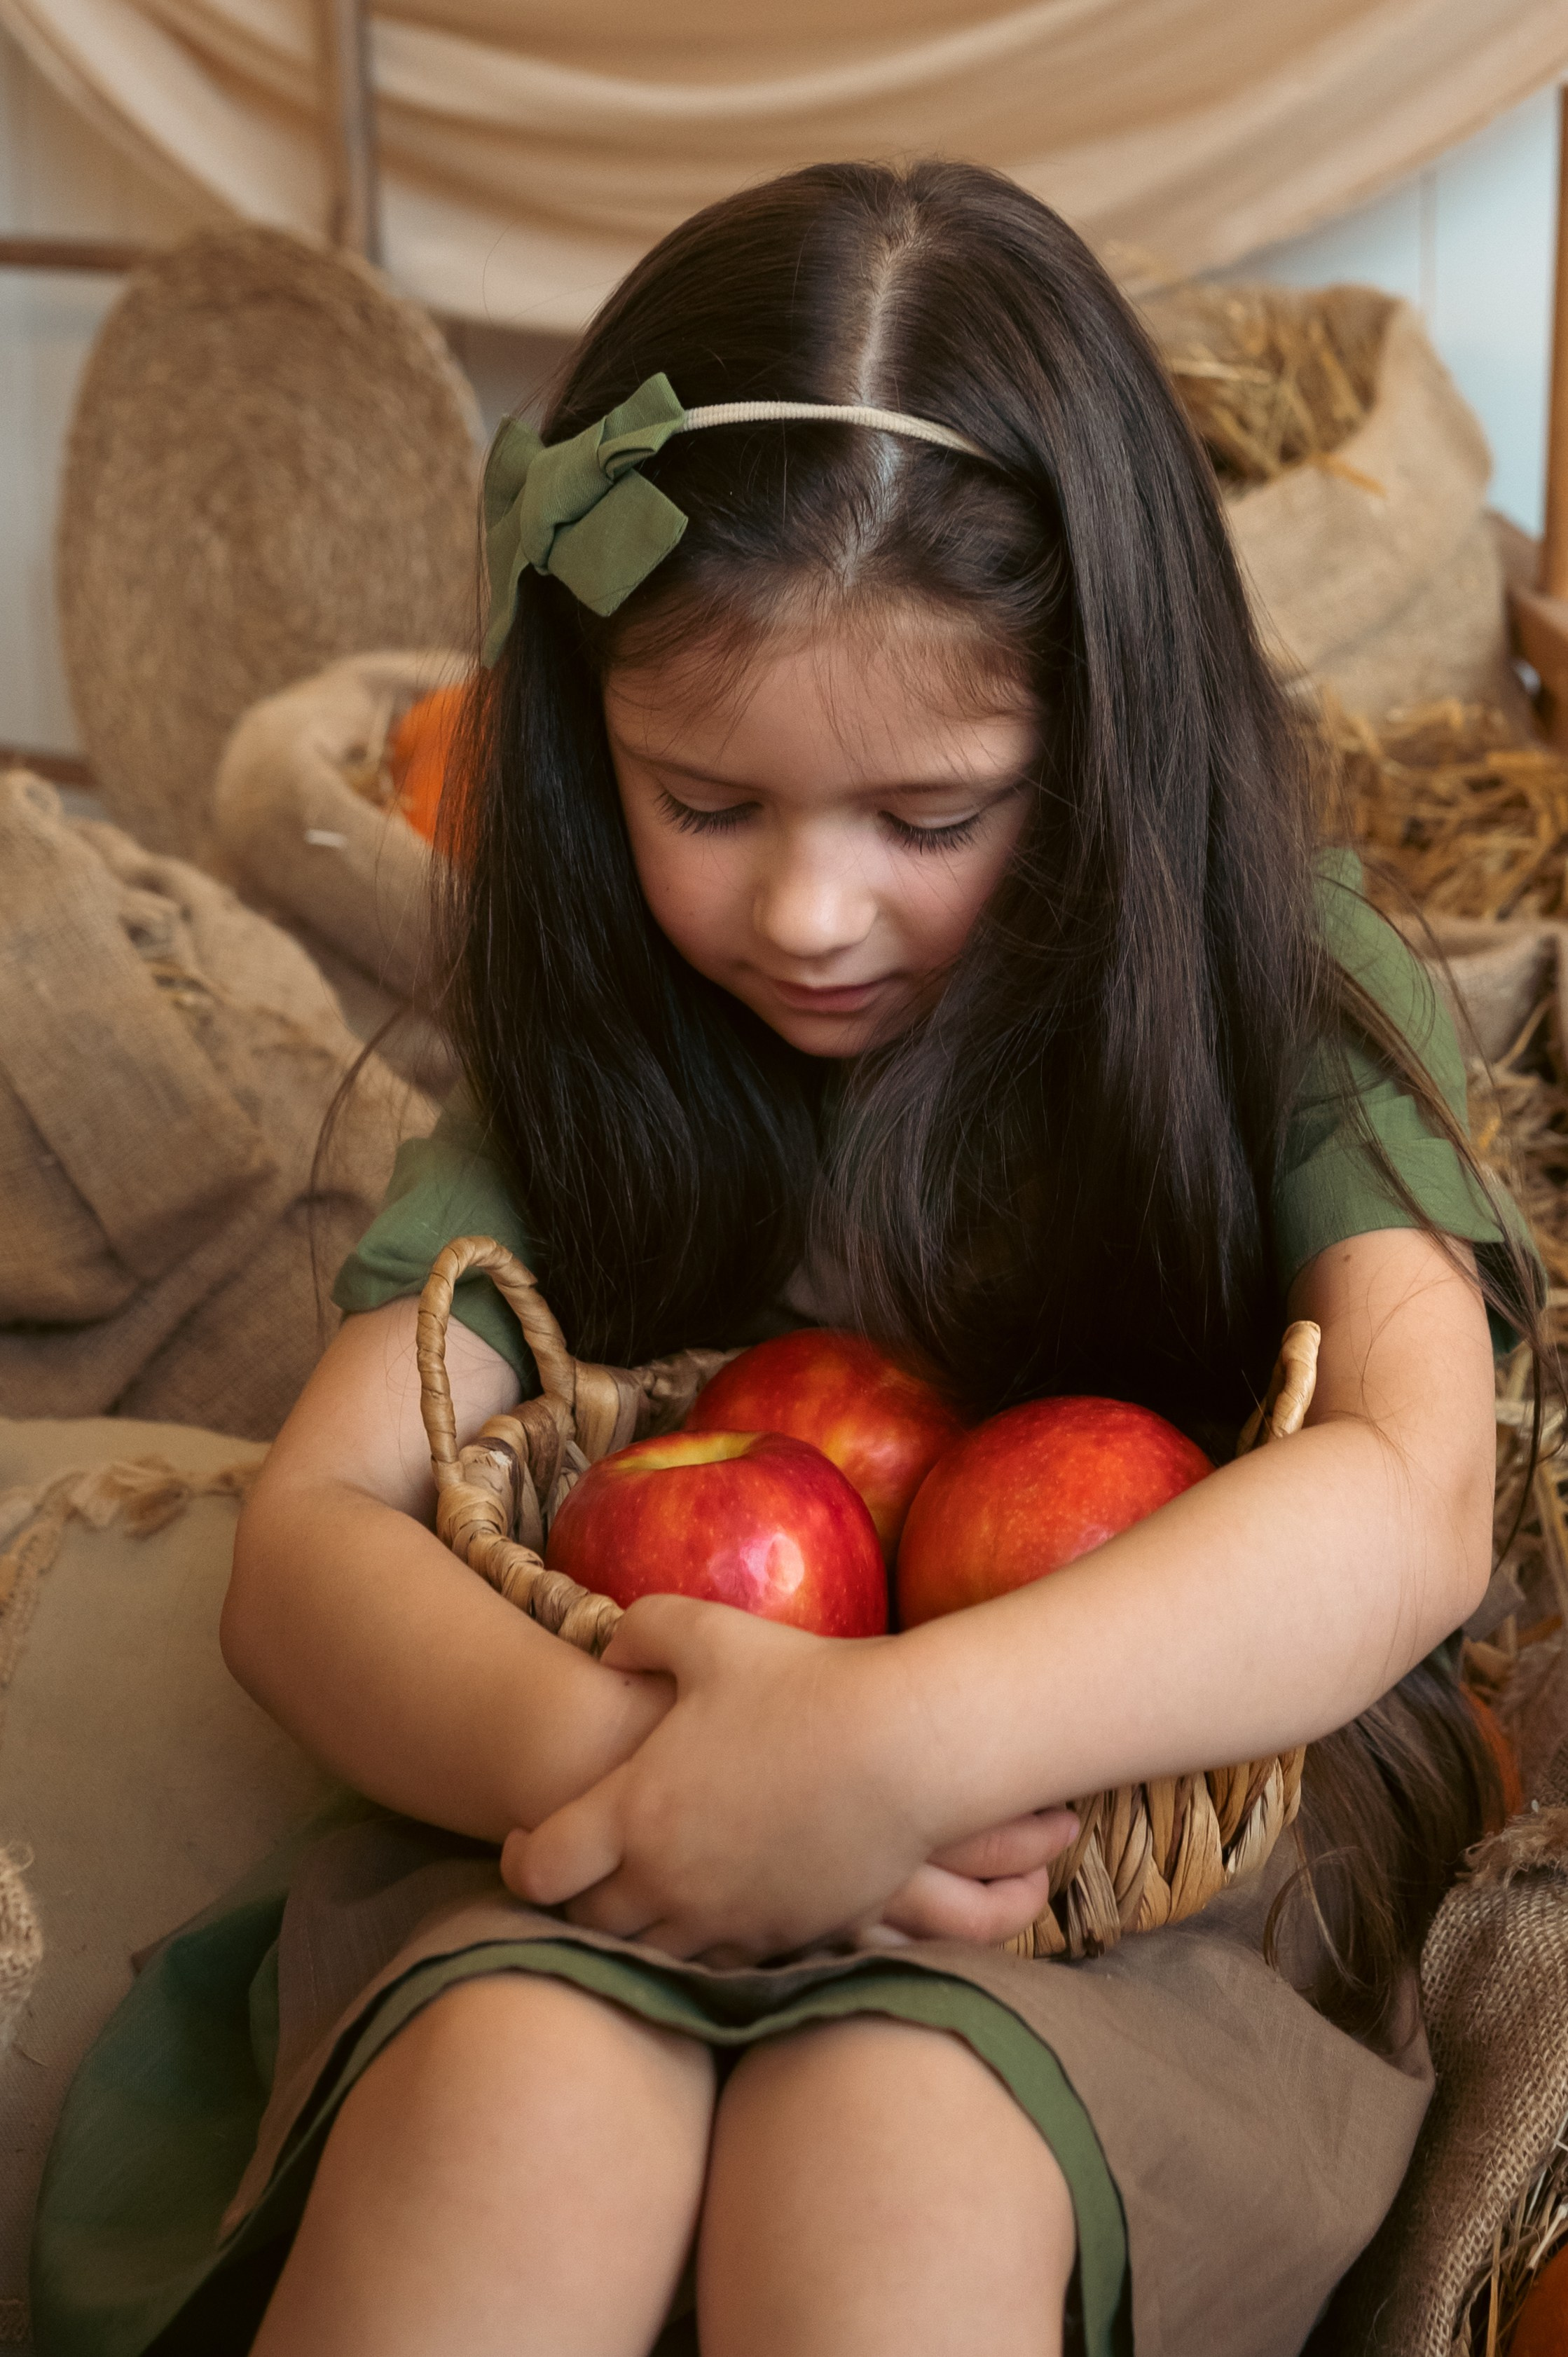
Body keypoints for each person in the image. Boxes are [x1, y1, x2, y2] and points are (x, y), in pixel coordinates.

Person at [33, 160, 1539, 2357]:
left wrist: (892, 1752)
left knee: (898, 2141)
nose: (810, 914)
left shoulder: (1258, 991)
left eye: (930, 818)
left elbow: (1412, 1497)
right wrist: (650, 1780)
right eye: (705, 803)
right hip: (607, 1823)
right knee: (514, 2104)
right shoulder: (600, 1034)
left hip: (1118, 1894)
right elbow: (312, 1548)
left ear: (1108, 745)